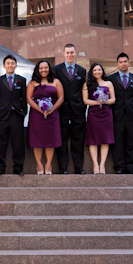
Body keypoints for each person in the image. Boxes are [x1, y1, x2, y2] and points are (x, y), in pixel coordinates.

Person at [52, 44, 87, 174]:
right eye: (67, 53)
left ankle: (79, 168)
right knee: (62, 140)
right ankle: (63, 168)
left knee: (78, 140)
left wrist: (83, 107)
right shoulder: (56, 70)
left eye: (72, 52)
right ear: (64, 54)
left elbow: (84, 90)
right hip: (61, 111)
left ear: (75, 53)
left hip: (78, 111)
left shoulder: (82, 71)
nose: (70, 55)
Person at [27, 60, 64, 175]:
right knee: (37, 140)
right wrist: (40, 110)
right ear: (38, 70)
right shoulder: (32, 83)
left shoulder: (56, 82)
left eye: (46, 67)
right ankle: (39, 164)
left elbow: (61, 97)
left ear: (49, 69)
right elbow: (29, 98)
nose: (44, 70)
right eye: (41, 68)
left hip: (52, 115)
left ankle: (48, 164)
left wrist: (51, 110)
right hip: (37, 115)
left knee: (50, 140)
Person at [0, 54, 27, 175]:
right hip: (2, 116)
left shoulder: (22, 80)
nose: (10, 65)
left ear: (16, 65)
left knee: (18, 143)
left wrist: (23, 113)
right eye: (8, 63)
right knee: (1, 143)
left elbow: (24, 98)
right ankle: (0, 168)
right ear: (4, 66)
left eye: (12, 63)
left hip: (17, 115)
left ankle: (18, 168)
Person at [108, 53, 133, 174]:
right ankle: (119, 167)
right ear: (117, 64)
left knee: (132, 141)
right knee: (118, 141)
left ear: (129, 63)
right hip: (117, 115)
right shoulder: (111, 79)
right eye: (121, 62)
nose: (123, 64)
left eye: (125, 61)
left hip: (132, 115)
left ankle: (131, 166)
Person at [82, 63, 116, 174]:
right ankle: (95, 165)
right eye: (95, 70)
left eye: (99, 70)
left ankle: (102, 165)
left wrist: (104, 101)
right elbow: (85, 100)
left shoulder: (108, 83)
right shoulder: (87, 84)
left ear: (102, 71)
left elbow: (113, 99)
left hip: (106, 114)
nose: (97, 72)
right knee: (93, 140)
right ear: (91, 72)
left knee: (105, 140)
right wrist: (97, 102)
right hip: (93, 114)